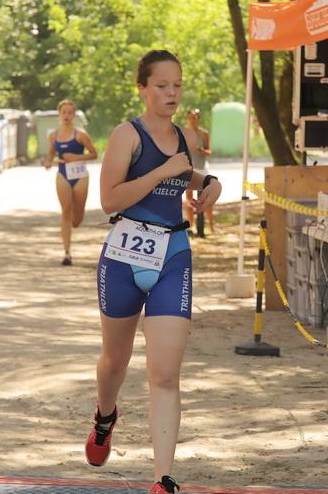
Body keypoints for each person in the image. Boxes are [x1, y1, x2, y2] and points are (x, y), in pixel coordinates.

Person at [85, 50, 222, 494]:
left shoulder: (185, 136)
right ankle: (105, 416)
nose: (171, 93)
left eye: (177, 85)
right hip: (123, 258)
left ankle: (162, 479)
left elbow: (185, 176)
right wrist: (163, 171)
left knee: (164, 375)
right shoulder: (127, 134)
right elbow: (110, 199)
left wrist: (209, 182)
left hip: (172, 256)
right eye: (162, 86)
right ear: (143, 88)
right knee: (115, 362)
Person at [44, 99, 98, 266]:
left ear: (74, 115)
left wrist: (75, 157)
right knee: (66, 212)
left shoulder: (80, 134)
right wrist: (48, 161)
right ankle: (67, 253)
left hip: (80, 175)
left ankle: (77, 217)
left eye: (69, 112)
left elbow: (94, 154)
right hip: (63, 174)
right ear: (59, 114)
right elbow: (51, 152)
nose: (66, 115)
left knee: (77, 219)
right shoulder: (54, 135)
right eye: (64, 112)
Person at [183, 108, 214, 237]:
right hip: (189, 169)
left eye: (195, 117)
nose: (193, 120)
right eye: (191, 117)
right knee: (189, 199)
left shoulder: (204, 134)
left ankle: (211, 226)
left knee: (204, 199)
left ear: (198, 118)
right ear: (187, 118)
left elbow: (209, 152)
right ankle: (191, 226)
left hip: (201, 169)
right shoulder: (184, 134)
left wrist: (200, 149)